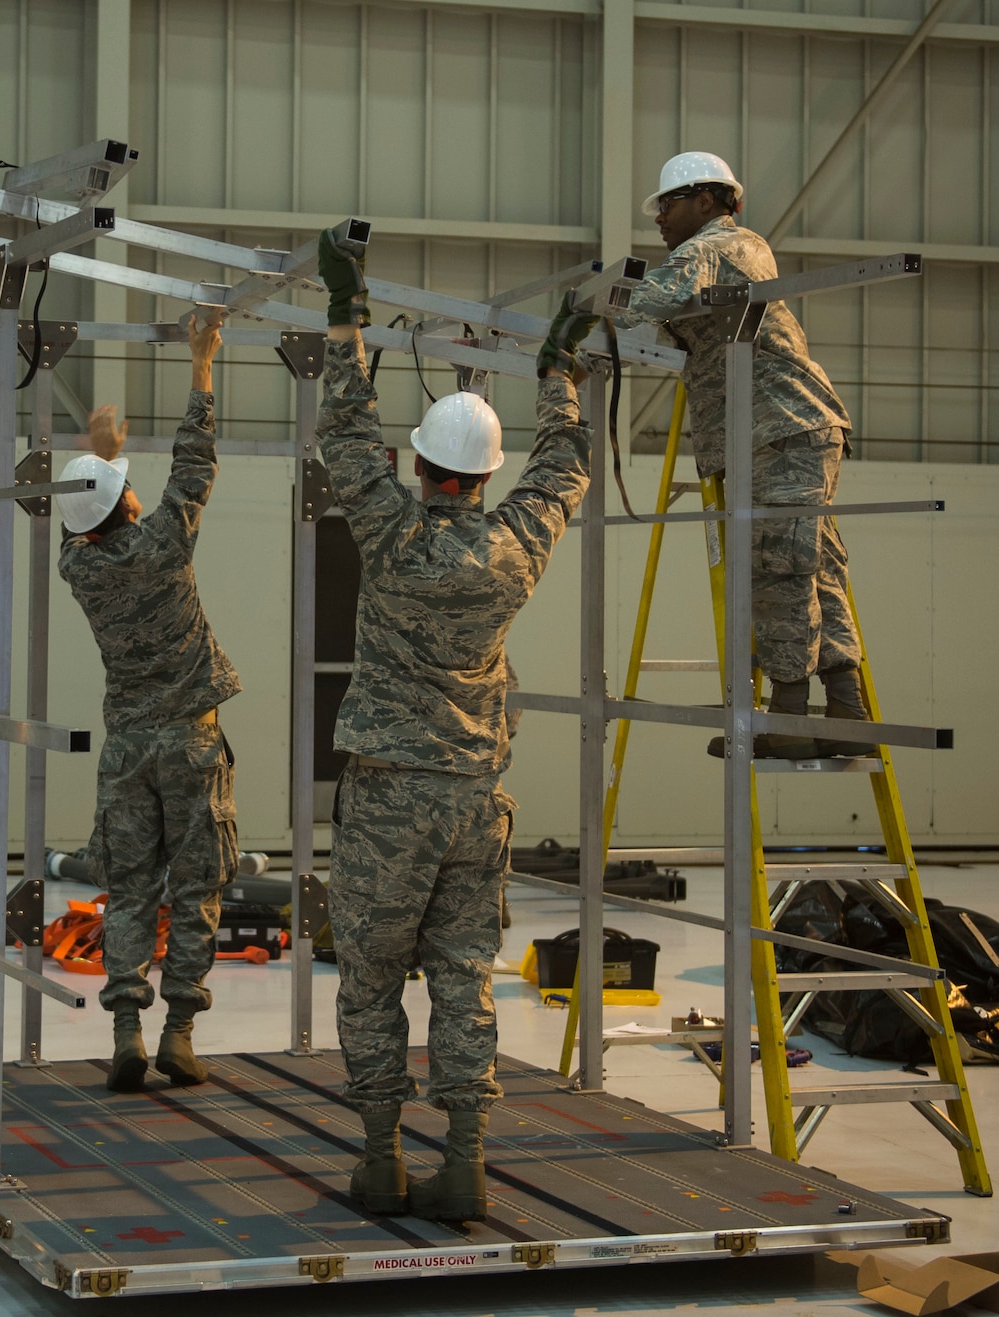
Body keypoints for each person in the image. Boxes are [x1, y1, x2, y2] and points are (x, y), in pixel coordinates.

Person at [314, 226, 596, 1221]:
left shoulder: (388, 534)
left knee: (370, 977)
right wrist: (559, 368)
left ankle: (382, 1155)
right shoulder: (516, 547)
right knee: (463, 979)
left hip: (389, 795)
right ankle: (465, 1158)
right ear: (483, 477)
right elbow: (565, 468)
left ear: (421, 464)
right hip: (476, 801)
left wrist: (347, 312)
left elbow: (344, 436)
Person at [609, 151, 868, 759]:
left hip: (779, 429)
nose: (660, 220)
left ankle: (790, 719)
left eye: (668, 205)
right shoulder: (721, 260)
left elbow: (643, 301)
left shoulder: (723, 244)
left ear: (707, 200)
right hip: (782, 430)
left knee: (779, 569)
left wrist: (586, 308)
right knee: (812, 569)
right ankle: (846, 712)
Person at [56, 310, 240, 1094]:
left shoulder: (80, 570)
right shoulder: (163, 546)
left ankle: (127, 1028)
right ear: (127, 505)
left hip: (128, 748)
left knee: (130, 888)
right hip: (192, 745)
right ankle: (180, 1033)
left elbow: (80, 525)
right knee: (196, 886)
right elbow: (195, 466)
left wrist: (98, 460)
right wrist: (201, 365)